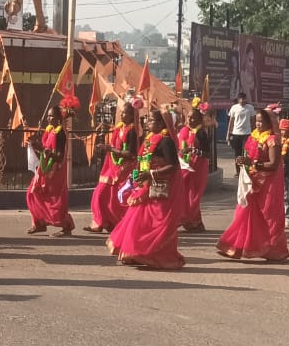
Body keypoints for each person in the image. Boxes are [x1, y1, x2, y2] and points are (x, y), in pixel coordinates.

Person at [107, 106, 185, 269]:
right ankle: (135, 252)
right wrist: (135, 177)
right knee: (137, 220)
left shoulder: (166, 141)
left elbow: (173, 166)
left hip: (160, 188)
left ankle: (156, 256)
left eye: (152, 120)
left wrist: (151, 174)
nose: (147, 123)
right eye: (147, 119)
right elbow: (142, 160)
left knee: (158, 223)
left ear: (162, 123)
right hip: (144, 186)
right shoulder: (149, 138)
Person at [217, 108, 289, 261]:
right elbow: (248, 155)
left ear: (269, 123)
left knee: (268, 216)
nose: (258, 123)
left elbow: (274, 164)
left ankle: (274, 250)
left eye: (261, 121)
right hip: (253, 180)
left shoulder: (272, 140)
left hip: (267, 184)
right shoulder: (254, 136)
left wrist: (253, 163)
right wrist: (243, 162)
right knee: (244, 213)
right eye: (256, 120)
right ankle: (235, 247)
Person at [84, 102, 138, 234]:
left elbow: (131, 154)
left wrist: (110, 149)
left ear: (132, 116)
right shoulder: (119, 129)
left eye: (125, 113)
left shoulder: (132, 131)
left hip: (124, 169)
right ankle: (100, 222)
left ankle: (115, 223)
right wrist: (105, 148)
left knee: (115, 199)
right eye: (121, 112)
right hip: (111, 166)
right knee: (100, 194)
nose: (122, 115)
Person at [26, 101, 76, 235]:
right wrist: (36, 148)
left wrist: (42, 150)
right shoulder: (49, 131)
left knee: (55, 201)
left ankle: (67, 225)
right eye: (48, 116)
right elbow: (45, 151)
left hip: (55, 172)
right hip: (44, 170)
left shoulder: (60, 133)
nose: (48, 119)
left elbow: (59, 156)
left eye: (51, 116)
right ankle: (39, 223)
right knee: (32, 193)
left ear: (59, 119)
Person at [178, 103, 212, 232]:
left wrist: (194, 151)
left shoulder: (201, 133)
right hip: (185, 166)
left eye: (193, 118)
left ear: (199, 119)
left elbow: (207, 153)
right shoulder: (184, 131)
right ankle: (194, 222)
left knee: (193, 195)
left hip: (197, 168)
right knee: (184, 194)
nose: (190, 120)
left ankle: (190, 219)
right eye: (189, 117)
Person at [226, 92, 254, 174]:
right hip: (236, 133)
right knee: (237, 153)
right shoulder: (234, 108)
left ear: (246, 99)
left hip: (247, 133)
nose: (242, 100)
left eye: (244, 98)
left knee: (246, 153)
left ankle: (246, 170)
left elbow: (253, 121)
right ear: (238, 100)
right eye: (241, 99)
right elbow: (231, 122)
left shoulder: (250, 108)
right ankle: (238, 172)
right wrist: (228, 134)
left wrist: (254, 133)